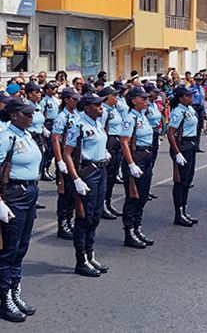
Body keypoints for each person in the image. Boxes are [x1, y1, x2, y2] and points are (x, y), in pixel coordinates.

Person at [0, 98, 41, 323]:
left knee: (21, 249)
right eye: (26, 113)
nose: (31, 117)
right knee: (6, 251)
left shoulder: (26, 135)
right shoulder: (4, 138)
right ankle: (5, 300)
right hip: (13, 196)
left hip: (29, 193)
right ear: (14, 115)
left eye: (31, 113)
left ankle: (15, 294)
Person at [63, 93, 109, 277]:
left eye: (101, 105)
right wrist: (76, 179)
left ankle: (90, 255)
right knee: (85, 217)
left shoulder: (97, 123)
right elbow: (68, 153)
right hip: (87, 173)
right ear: (87, 107)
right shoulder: (78, 125)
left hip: (100, 170)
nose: (101, 108)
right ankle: (81, 261)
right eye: (97, 105)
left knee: (96, 215)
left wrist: (103, 152)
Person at [119, 86, 155, 249]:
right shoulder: (130, 118)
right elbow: (124, 142)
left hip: (146, 157)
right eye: (143, 98)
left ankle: (137, 228)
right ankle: (129, 232)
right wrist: (131, 164)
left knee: (143, 196)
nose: (146, 100)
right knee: (133, 197)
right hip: (136, 158)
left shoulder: (142, 115)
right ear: (134, 101)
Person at [166, 86, 199, 227]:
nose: (191, 98)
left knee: (187, 181)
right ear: (180, 98)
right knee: (180, 182)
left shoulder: (189, 109)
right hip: (182, 146)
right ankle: (178, 214)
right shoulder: (178, 112)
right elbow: (170, 133)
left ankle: (184, 211)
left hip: (190, 145)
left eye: (191, 96)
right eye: (188, 96)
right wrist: (177, 152)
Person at [52, 87, 81, 240]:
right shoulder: (61, 118)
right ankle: (62, 225)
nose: (77, 101)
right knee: (65, 193)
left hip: (75, 158)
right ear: (66, 100)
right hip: (65, 158)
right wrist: (60, 160)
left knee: (73, 193)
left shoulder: (76, 115)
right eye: (74, 99)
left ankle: (70, 221)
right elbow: (56, 140)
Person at [101, 85, 124, 219]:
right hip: (109, 142)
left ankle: (108, 203)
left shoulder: (114, 109)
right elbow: (102, 128)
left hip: (116, 142)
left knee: (113, 176)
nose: (116, 98)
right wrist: (104, 149)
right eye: (113, 96)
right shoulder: (104, 110)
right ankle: (103, 205)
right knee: (107, 176)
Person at [190, 74, 206, 151]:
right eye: (198, 80)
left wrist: (205, 111)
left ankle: (197, 146)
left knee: (200, 127)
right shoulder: (192, 88)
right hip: (194, 107)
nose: (199, 81)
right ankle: (193, 145)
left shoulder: (202, 88)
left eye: (200, 80)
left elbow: (203, 100)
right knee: (195, 126)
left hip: (201, 108)